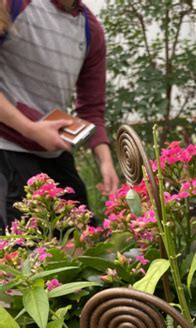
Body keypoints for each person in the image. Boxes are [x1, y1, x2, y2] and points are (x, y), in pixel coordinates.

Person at [0, 0, 119, 231]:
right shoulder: (16, 5)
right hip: (6, 152)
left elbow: (91, 109)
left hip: (54, 154)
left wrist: (105, 160)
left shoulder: (90, 30)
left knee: (84, 241)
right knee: (18, 255)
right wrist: (30, 128)